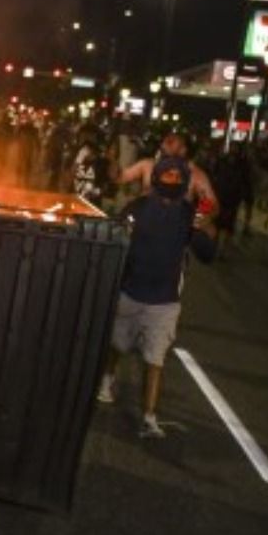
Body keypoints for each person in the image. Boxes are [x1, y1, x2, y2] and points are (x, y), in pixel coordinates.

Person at [96, 155, 217, 439]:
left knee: (156, 359)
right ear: (157, 177)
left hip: (164, 301)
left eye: (178, 177)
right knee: (117, 344)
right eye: (167, 175)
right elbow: (117, 235)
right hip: (131, 291)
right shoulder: (138, 207)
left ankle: (149, 417)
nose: (172, 180)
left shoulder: (189, 215)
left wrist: (203, 228)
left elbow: (207, 254)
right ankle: (108, 377)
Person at [115, 132, 221, 221]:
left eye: (171, 142)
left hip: (174, 229)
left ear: (183, 149)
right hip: (143, 221)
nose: (165, 144)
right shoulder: (148, 165)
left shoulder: (194, 174)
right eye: (165, 141)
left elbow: (211, 204)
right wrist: (112, 161)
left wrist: (196, 221)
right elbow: (120, 177)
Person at [211, 142, 254, 250]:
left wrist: (245, 195)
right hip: (220, 194)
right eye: (232, 147)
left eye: (235, 148)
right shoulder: (222, 160)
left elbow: (246, 181)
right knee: (217, 221)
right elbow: (214, 174)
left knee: (229, 224)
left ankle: (224, 248)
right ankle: (214, 244)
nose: (233, 150)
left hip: (233, 198)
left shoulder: (243, 164)